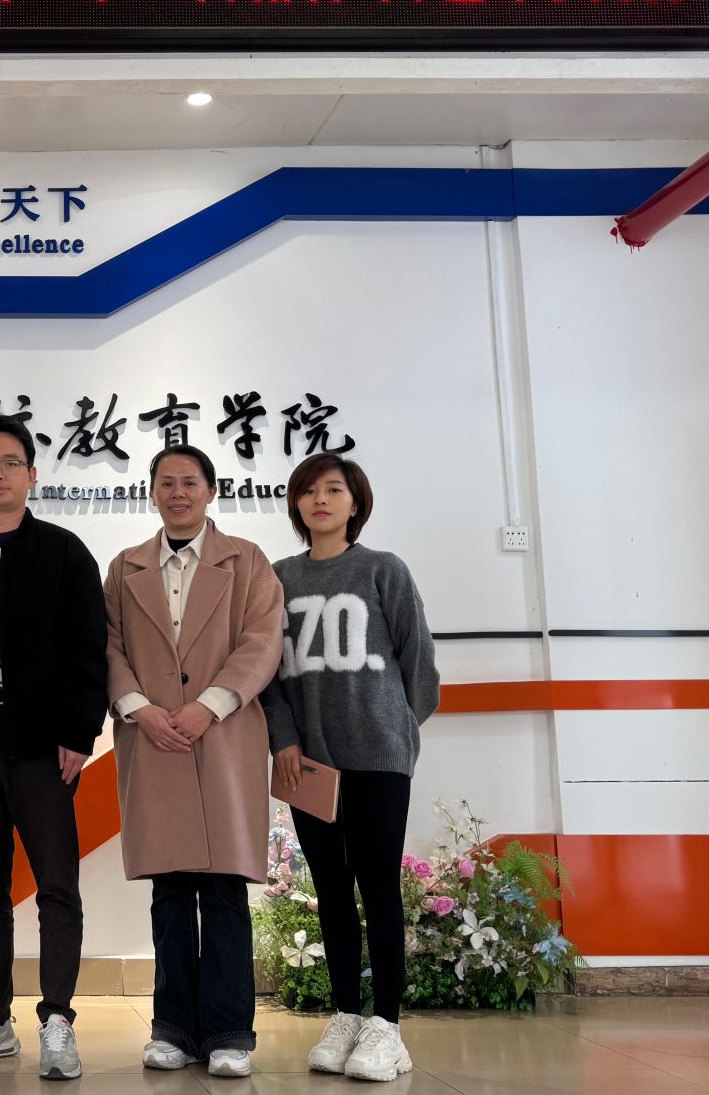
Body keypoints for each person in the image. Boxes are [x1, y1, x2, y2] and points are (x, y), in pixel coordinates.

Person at [0, 415, 108, 1082]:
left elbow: (90, 652)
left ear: (32, 474)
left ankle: (58, 1020)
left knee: (57, 887)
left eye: (10, 462)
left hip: (41, 752)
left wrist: (79, 735)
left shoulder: (65, 553)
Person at [103, 444, 283, 1080]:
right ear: (151, 492)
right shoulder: (125, 566)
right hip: (153, 739)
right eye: (166, 483)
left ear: (210, 491)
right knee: (171, 890)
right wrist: (139, 709)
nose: (177, 493)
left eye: (189, 482)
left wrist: (209, 706)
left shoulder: (247, 561)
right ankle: (172, 1028)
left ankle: (231, 1032)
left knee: (225, 890)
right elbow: (109, 646)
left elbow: (262, 642)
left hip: (224, 736)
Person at [263, 454, 441, 1084]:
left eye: (334, 489)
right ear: (296, 503)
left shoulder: (383, 569)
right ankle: (344, 1015)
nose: (321, 499)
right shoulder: (277, 579)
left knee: (378, 887)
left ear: (355, 502)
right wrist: (284, 740)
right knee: (331, 892)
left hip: (379, 761)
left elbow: (419, 662)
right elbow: (267, 675)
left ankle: (387, 1026)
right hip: (310, 765)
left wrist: (397, 729)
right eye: (309, 490)